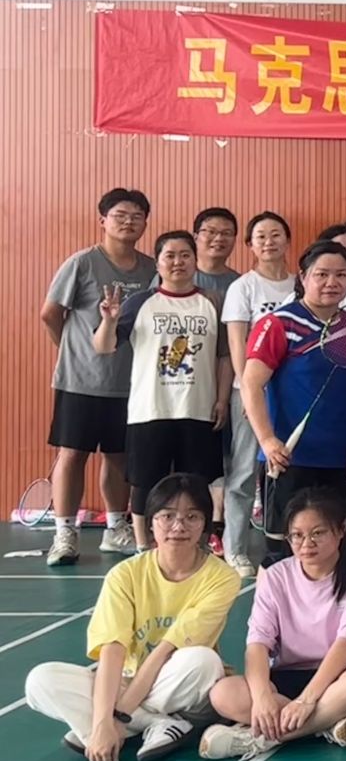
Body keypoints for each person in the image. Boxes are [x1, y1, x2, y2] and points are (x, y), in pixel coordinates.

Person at [24, 473, 240, 761]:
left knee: (202, 660)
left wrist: (115, 718)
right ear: (150, 522)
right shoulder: (124, 575)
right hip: (127, 682)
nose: (179, 526)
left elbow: (166, 650)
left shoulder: (222, 577)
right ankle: (156, 724)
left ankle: (113, 729)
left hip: (183, 690)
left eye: (192, 517)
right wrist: (104, 719)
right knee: (40, 681)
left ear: (204, 525)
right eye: (167, 516)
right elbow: (112, 651)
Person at [199, 486, 346, 758]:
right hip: (289, 674)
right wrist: (262, 697)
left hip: (343, 673)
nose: (306, 544)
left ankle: (260, 738)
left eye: (318, 533)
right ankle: (328, 723)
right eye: (297, 535)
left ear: (341, 529)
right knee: (223, 693)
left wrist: (306, 701)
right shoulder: (276, 576)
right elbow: (257, 643)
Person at [42, 187, 157, 566]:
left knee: (119, 456)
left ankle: (115, 527)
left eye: (136, 216)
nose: (128, 222)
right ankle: (65, 533)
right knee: (72, 454)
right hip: (80, 380)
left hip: (131, 383)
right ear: (103, 221)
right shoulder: (82, 263)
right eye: (120, 215)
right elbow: (50, 313)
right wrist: (73, 351)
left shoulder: (150, 269)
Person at [95, 232, 231, 552]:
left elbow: (224, 356)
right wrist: (109, 321)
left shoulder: (213, 301)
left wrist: (222, 399)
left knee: (198, 482)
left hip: (198, 409)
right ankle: (144, 546)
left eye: (185, 255)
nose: (177, 262)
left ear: (195, 260)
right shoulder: (139, 303)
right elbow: (103, 347)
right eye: (170, 255)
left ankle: (198, 545)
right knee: (145, 481)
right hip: (150, 409)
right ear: (157, 263)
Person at [242, 241, 346, 560]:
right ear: (303, 276)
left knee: (333, 550)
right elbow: (251, 384)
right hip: (288, 457)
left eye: (341, 274)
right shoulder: (278, 323)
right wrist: (267, 440)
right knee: (284, 550)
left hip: (339, 458)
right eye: (322, 274)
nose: (331, 282)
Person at [220, 212, 297, 575]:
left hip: (292, 393)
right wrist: (248, 388)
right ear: (250, 244)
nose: (269, 242)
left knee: (286, 470)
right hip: (251, 392)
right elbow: (237, 343)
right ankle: (235, 549)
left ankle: (288, 543)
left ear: (287, 240)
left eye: (276, 234)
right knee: (242, 473)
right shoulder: (243, 287)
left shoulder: (300, 284)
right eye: (261, 236)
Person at [191, 207, 240, 301]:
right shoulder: (176, 278)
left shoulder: (240, 284)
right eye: (211, 232)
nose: (219, 238)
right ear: (195, 237)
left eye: (226, 233)